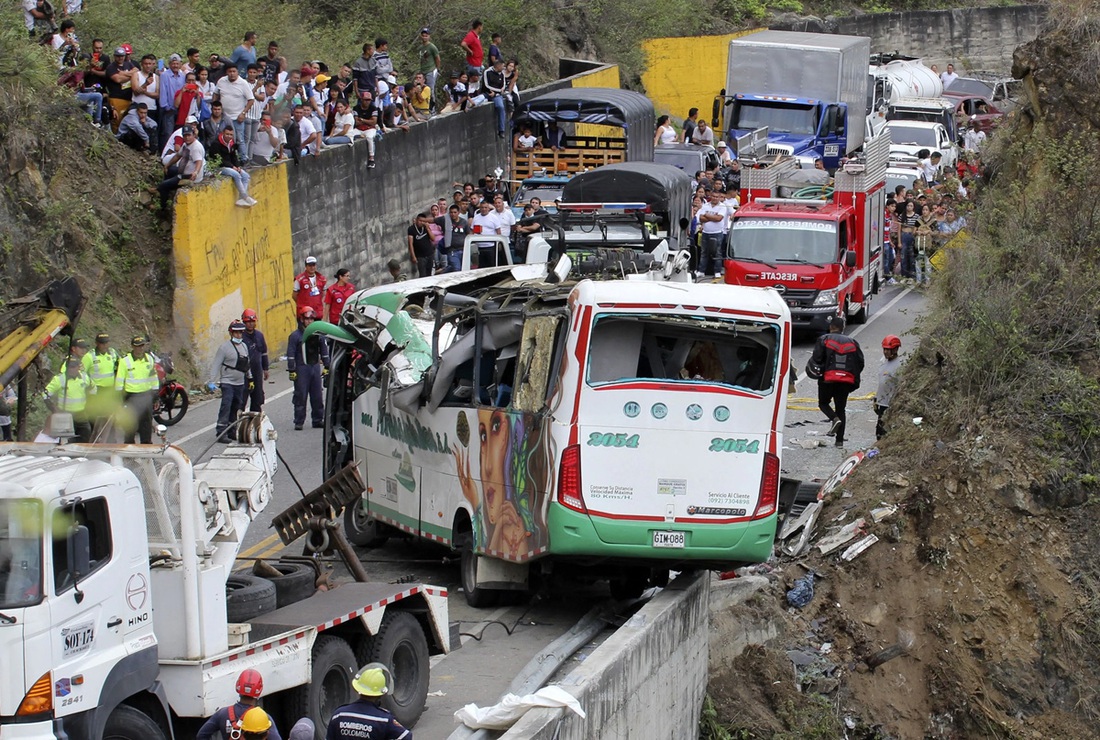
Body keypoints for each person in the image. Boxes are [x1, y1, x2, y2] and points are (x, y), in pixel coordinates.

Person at [809, 316, 864, 448]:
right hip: (845, 381)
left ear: (831, 327)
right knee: (841, 409)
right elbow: (860, 363)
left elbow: (817, 359)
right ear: (842, 328)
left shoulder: (824, 339)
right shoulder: (853, 342)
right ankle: (839, 441)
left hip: (827, 380)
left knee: (823, 403)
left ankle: (834, 419)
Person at [326, 663, 410, 740]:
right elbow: (406, 736)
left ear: (358, 689)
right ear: (380, 694)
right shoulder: (384, 720)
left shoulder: (339, 715)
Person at [197, 669, 282, 740]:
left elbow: (201, 735)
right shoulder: (263, 718)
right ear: (259, 690)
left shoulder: (222, 714)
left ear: (238, 686)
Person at [287, 308, 329, 431]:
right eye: (307, 319)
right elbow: (291, 353)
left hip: (315, 367)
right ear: (302, 320)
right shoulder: (295, 336)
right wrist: (292, 370)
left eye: (311, 319)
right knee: (300, 395)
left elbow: (324, 351)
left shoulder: (318, 335)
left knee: (317, 396)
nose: (309, 321)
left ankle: (317, 419)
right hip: (301, 369)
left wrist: (327, 366)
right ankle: (299, 421)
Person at [209, 320, 250, 440]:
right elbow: (216, 364)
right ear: (231, 333)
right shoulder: (224, 348)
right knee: (226, 405)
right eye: (236, 333)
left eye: (240, 333)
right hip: (228, 382)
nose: (238, 335)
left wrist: (250, 377)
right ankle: (221, 432)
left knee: (236, 406)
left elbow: (247, 364)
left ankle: (232, 430)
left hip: (240, 383)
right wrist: (211, 380)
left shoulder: (244, 346)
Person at [114, 335, 157, 444]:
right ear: (133, 346)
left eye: (142, 346)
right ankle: (129, 448)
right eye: (138, 346)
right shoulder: (125, 361)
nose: (140, 348)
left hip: (146, 396)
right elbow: (119, 380)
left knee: (146, 424)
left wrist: (156, 396)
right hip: (131, 396)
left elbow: (153, 378)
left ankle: (146, 448)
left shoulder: (149, 359)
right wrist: (120, 398)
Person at [43, 358, 92, 442]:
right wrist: (53, 408)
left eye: (74, 367)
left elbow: (92, 388)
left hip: (81, 415)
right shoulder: (59, 379)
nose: (71, 369)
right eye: (69, 367)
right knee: (66, 440)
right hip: (65, 415)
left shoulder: (84, 377)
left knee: (85, 435)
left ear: (78, 367)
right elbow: (45, 394)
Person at [83, 333, 119, 439]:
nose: (105, 345)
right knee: (94, 418)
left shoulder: (113, 353)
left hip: (109, 391)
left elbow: (119, 368)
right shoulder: (89, 356)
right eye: (102, 343)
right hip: (96, 391)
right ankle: (93, 440)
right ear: (97, 343)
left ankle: (111, 441)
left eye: (106, 342)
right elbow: (82, 373)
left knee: (110, 418)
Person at [696, 188, 730, 278]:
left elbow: (719, 219)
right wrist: (713, 217)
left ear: (719, 198)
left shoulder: (723, 206)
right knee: (704, 252)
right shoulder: (705, 205)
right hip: (705, 232)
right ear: (710, 196)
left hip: (717, 233)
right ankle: (701, 271)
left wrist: (707, 215)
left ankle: (717, 271)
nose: (715, 198)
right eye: (713, 196)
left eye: (716, 197)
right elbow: (700, 218)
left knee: (717, 253)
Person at [240, 309, 269, 412]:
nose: (251, 324)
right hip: (244, 373)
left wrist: (265, 368)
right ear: (244, 322)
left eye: (253, 321)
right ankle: (239, 423)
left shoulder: (259, 336)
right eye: (248, 322)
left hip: (257, 371)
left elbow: (264, 352)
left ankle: (255, 423)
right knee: (241, 399)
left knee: (257, 398)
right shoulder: (241, 337)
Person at [875, 335, 902, 440]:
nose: (885, 352)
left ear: (895, 349)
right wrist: (876, 399)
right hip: (881, 403)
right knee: (879, 432)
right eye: (884, 349)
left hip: (890, 404)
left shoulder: (899, 366)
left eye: (888, 350)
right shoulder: (883, 361)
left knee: (885, 432)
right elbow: (881, 382)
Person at [435, 204, 469, 273]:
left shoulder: (464, 222)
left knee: (462, 268)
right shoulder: (445, 220)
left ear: (458, 213)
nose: (453, 214)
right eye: (451, 212)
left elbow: (468, 234)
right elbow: (433, 220)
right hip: (452, 250)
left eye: (455, 212)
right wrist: (422, 219)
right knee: (457, 269)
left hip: (463, 250)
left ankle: (444, 270)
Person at [417, 28, 441, 99]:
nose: (424, 37)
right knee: (422, 89)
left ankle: (432, 108)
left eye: (426, 36)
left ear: (429, 36)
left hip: (430, 70)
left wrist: (437, 69)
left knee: (430, 89)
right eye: (423, 36)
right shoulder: (420, 47)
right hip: (423, 71)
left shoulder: (432, 47)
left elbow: (438, 58)